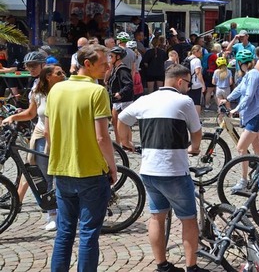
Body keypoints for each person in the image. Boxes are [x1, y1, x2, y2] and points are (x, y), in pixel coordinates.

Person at [117, 64, 207, 272]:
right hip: (174, 170)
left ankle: (162, 265)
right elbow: (196, 132)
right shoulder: (184, 101)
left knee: (157, 216)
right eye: (187, 83)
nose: (188, 87)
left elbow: (122, 119)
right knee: (188, 219)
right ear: (179, 82)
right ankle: (191, 267)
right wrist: (194, 148)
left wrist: (125, 142)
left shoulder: (145, 100)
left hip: (149, 169)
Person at [44, 44, 117, 272]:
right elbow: (102, 138)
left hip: (62, 169)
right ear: (87, 64)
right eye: (104, 64)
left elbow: (47, 131)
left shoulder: (56, 89)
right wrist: (112, 167)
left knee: (64, 232)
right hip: (91, 172)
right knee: (88, 233)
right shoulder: (97, 92)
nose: (108, 67)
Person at [2, 64, 66, 230]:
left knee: (57, 175)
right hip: (42, 136)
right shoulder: (38, 93)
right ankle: (52, 214)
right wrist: (13, 117)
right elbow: (31, 114)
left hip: (62, 136)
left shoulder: (66, 91)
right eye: (59, 73)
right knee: (45, 175)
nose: (63, 74)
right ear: (48, 77)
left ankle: (63, 212)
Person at [222, 49, 259, 191]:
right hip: (254, 115)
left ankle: (243, 181)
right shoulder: (248, 75)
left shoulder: (254, 75)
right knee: (257, 149)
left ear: (241, 63)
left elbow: (248, 96)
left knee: (241, 148)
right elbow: (239, 90)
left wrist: (236, 109)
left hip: (257, 116)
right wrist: (227, 99)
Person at [184, 45, 206, 115]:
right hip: (196, 84)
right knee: (197, 103)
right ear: (196, 52)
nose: (201, 53)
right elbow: (198, 73)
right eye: (200, 51)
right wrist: (203, 84)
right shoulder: (197, 60)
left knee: (188, 102)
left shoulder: (187, 58)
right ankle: (197, 120)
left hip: (187, 83)